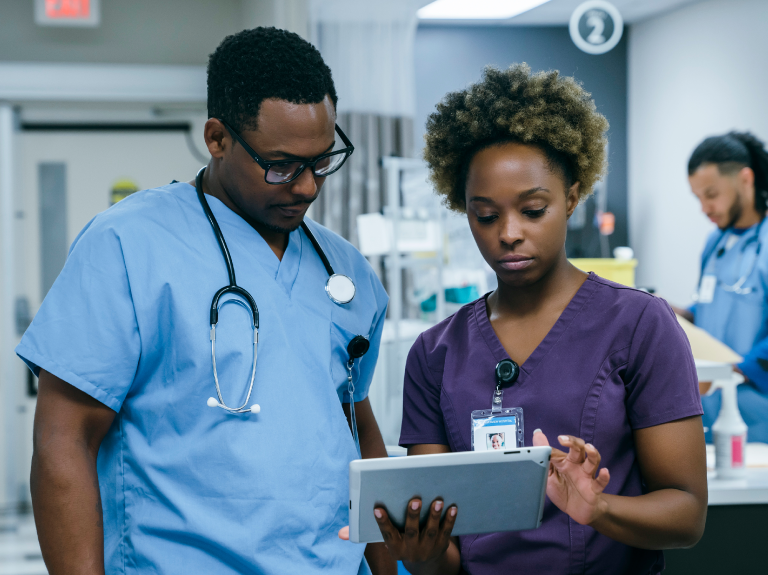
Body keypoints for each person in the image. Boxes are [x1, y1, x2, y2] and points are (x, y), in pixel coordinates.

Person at [18, 28, 396, 575]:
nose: (309, 187)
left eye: (322, 162)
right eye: (283, 164)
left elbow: (357, 430)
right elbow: (64, 437)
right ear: (217, 139)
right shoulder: (127, 244)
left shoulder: (346, 270)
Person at [345, 64, 707, 574]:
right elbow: (444, 558)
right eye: (485, 216)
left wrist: (598, 508)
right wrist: (422, 556)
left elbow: (687, 514)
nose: (508, 233)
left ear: (573, 198)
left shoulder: (640, 324)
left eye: (533, 210)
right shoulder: (435, 353)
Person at [674, 132, 768, 444]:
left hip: (756, 407)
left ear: (745, 179)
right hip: (711, 403)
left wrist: (736, 370)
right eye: (698, 197)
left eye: (711, 194)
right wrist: (676, 314)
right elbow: (715, 309)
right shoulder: (715, 243)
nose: (704, 208)